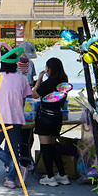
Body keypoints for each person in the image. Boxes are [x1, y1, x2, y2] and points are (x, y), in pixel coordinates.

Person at [0, 59, 32, 189]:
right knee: (14, 150)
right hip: (16, 118)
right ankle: (14, 174)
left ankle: (13, 173)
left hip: (1, 119)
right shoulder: (21, 79)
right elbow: (24, 100)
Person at [32, 57, 70, 186]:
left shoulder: (49, 82)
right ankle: (62, 174)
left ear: (50, 69)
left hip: (45, 117)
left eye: (47, 68)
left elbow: (34, 95)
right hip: (57, 116)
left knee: (46, 147)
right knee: (53, 146)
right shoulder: (64, 81)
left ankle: (49, 176)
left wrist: (39, 80)